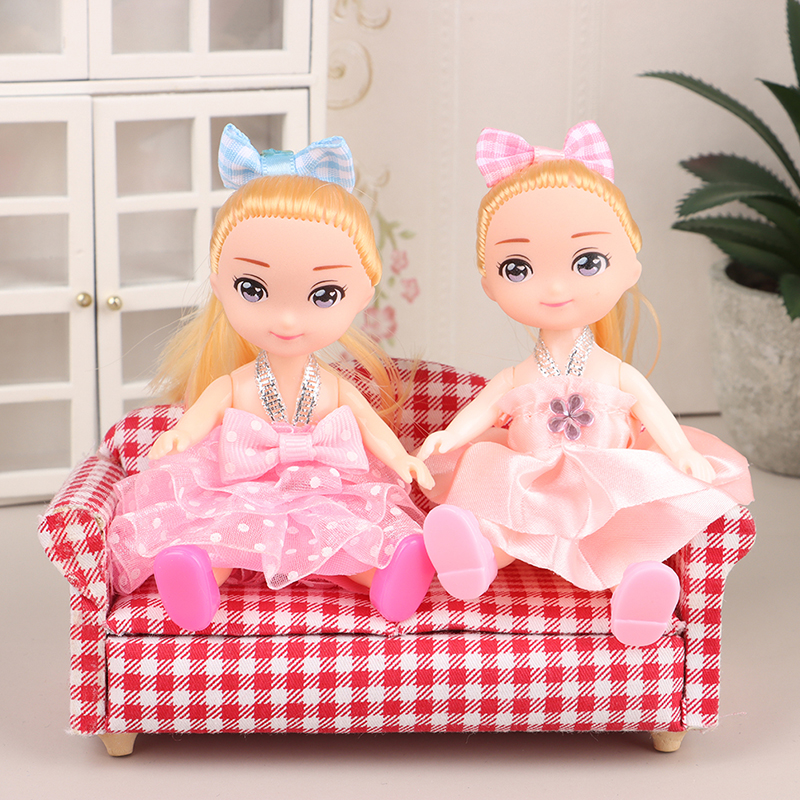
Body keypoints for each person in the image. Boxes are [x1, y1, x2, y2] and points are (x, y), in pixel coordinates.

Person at [418, 122, 753, 646]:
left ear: (629, 268)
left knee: (623, 532)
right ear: (489, 282)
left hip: (605, 477)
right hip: (532, 477)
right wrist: (450, 436)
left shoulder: (614, 371)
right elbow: (484, 408)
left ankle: (638, 590)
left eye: (587, 262)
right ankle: (475, 559)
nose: (555, 286)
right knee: (502, 512)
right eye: (518, 267)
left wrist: (682, 451)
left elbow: (653, 410)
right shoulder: (519, 376)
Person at [108, 124, 434, 630]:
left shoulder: (336, 387)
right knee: (219, 529)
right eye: (253, 289)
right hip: (244, 483)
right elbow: (198, 420)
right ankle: (195, 575)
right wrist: (178, 437)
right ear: (220, 285)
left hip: (325, 484)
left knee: (347, 532)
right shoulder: (235, 384)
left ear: (363, 294)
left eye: (323, 295)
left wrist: (401, 458)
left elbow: (372, 429)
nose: (286, 319)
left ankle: (391, 577)